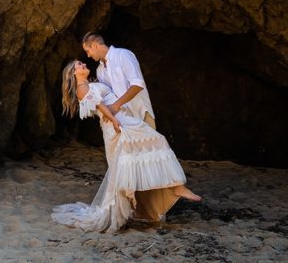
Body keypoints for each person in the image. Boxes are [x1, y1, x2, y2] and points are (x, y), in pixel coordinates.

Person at [52, 60, 201, 233]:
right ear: (73, 73)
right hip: (118, 124)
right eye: (78, 65)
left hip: (123, 120)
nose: (83, 64)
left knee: (137, 161)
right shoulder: (82, 88)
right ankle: (176, 188)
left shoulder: (91, 83)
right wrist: (115, 120)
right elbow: (101, 107)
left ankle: (145, 205)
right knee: (155, 142)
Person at [81, 33, 156, 129]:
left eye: (88, 51)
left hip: (141, 113)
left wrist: (115, 106)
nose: (88, 55)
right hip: (123, 119)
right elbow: (109, 94)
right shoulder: (99, 71)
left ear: (95, 45)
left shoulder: (123, 55)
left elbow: (138, 85)